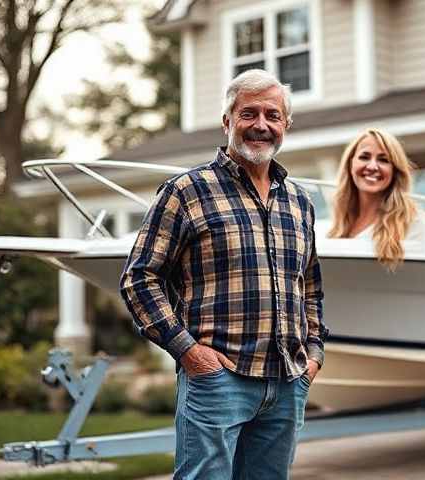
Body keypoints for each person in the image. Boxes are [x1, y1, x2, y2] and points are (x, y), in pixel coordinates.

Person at [119, 69, 328, 480]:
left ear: (286, 124)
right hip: (219, 381)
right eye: (249, 113)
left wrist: (314, 354)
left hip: (288, 381)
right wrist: (188, 352)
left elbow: (310, 287)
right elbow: (140, 278)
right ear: (227, 121)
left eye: (273, 114)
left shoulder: (300, 202)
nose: (261, 125)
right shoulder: (186, 191)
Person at [328, 128, 425, 271]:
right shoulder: (338, 222)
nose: (372, 166)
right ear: (351, 164)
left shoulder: (413, 220)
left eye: (383, 160)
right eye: (364, 157)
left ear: (395, 170)